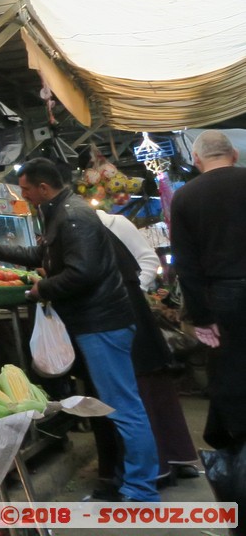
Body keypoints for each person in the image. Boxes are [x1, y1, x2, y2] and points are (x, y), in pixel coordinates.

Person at [0, 157, 160, 502]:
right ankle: (129, 480)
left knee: (122, 405)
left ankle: (142, 488)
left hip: (102, 322)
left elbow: (82, 273)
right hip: (96, 321)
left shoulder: (72, 216)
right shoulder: (60, 211)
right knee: (117, 403)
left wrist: (43, 289)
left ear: (43, 187)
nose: (22, 195)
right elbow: (44, 254)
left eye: (25, 189)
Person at [85, 208, 200, 493]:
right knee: (140, 389)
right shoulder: (76, 229)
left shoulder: (114, 223)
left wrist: (133, 290)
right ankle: (160, 463)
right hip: (111, 315)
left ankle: (163, 464)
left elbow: (148, 260)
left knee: (145, 388)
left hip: (128, 314)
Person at [170, 130, 246, 483]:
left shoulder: (185, 198)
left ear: (196, 161)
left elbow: (186, 266)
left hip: (223, 297)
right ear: (233, 154)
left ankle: (239, 450)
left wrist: (201, 317)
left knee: (231, 373)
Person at [97, 210, 161, 292]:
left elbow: (149, 259)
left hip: (123, 298)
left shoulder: (115, 223)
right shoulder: (78, 232)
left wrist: (137, 288)